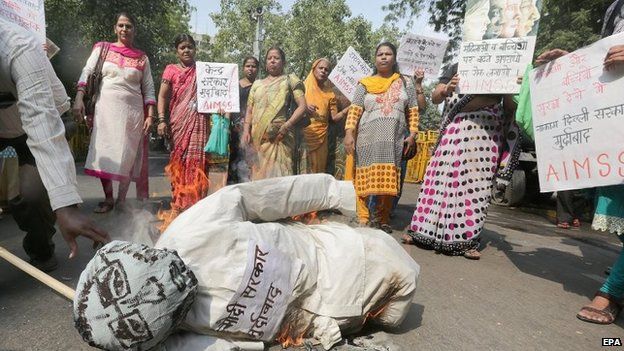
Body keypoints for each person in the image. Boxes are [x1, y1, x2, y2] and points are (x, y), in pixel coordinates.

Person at [73, 174, 420, 351]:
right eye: (139, 317)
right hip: (333, 321)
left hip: (351, 256)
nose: (154, 291)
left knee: (400, 294)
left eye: (120, 284)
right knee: (392, 315)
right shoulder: (172, 333)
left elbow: (267, 196)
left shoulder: (190, 230)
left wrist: (333, 193)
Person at [537, 0, 624, 325]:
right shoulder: (615, 8)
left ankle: (612, 291)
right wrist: (574, 66)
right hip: (616, 128)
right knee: (618, 211)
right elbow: (605, 62)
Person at [0, 19, 109, 271]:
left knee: (31, 195)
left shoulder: (19, 47)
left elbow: (41, 125)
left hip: (39, 125)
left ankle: (41, 251)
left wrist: (66, 205)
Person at [402, 62, 521, 259]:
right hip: (454, 128)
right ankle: (422, 232)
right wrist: (447, 88)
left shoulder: (507, 62)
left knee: (475, 185)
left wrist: (511, 87)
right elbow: (435, 97)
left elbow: (510, 106)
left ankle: (466, 240)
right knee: (438, 180)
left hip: (486, 133)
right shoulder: (459, 63)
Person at [74, 12, 156, 213]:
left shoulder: (141, 57)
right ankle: (108, 198)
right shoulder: (102, 49)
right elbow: (87, 71)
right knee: (105, 152)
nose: (124, 29)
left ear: (134, 30)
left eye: (128, 26)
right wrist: (78, 98)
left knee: (127, 155)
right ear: (115, 28)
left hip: (133, 114)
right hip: (106, 111)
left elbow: (149, 87)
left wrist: (151, 114)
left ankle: (121, 200)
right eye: (121, 25)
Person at [343, 42, 420, 233]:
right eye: (380, 54)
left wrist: (412, 134)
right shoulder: (364, 84)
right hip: (367, 140)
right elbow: (354, 111)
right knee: (364, 178)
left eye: (388, 54)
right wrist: (349, 133)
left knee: (388, 180)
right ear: (375, 59)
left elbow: (413, 110)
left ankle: (383, 218)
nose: (384, 57)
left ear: (394, 58)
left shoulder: (406, 83)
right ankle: (363, 216)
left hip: (393, 140)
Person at [157, 34, 227, 214]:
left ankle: (197, 206)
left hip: (199, 123)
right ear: (177, 51)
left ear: (195, 49)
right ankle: (179, 203)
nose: (186, 50)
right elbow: (163, 96)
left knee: (198, 163)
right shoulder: (170, 70)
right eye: (182, 47)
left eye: (190, 47)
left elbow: (214, 95)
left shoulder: (203, 71)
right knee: (179, 163)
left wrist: (219, 106)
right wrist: (161, 119)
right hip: (178, 123)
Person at [369, 68, 428, 219]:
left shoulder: (408, 83)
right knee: (376, 173)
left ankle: (386, 214)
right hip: (379, 132)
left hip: (402, 135)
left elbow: (421, 108)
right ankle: (372, 212)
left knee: (397, 174)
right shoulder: (378, 81)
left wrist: (418, 85)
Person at [241, 47, 308, 180]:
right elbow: (249, 110)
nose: (272, 61)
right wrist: (246, 131)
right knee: (259, 179)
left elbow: (302, 106)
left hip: (280, 138)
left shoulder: (290, 81)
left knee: (280, 179)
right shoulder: (257, 85)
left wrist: (287, 126)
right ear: (265, 63)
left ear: (283, 62)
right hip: (258, 139)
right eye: (269, 58)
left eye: (276, 58)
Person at [303, 58, 350, 174]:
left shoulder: (330, 93)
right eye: (321, 68)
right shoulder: (302, 87)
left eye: (327, 70)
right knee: (303, 170)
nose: (323, 71)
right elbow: (294, 105)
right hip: (304, 135)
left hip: (322, 137)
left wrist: (348, 108)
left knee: (318, 170)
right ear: (314, 69)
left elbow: (334, 117)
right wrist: (304, 107)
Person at [228, 56, 259, 183]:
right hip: (235, 129)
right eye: (248, 66)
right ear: (243, 68)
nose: (250, 69)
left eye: (253, 66)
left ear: (258, 69)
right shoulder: (234, 85)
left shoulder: (260, 86)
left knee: (251, 159)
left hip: (254, 129)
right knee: (235, 158)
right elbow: (228, 105)